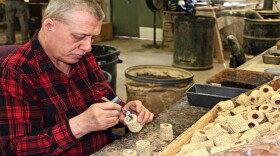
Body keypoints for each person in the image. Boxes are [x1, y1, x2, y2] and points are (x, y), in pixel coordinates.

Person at [0, 0, 154, 155]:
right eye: (79, 36)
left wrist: (123, 111)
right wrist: (81, 125)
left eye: (92, 38)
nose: (87, 47)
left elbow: (107, 97)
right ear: (48, 26)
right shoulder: (16, 72)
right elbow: (16, 149)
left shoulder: (84, 58)